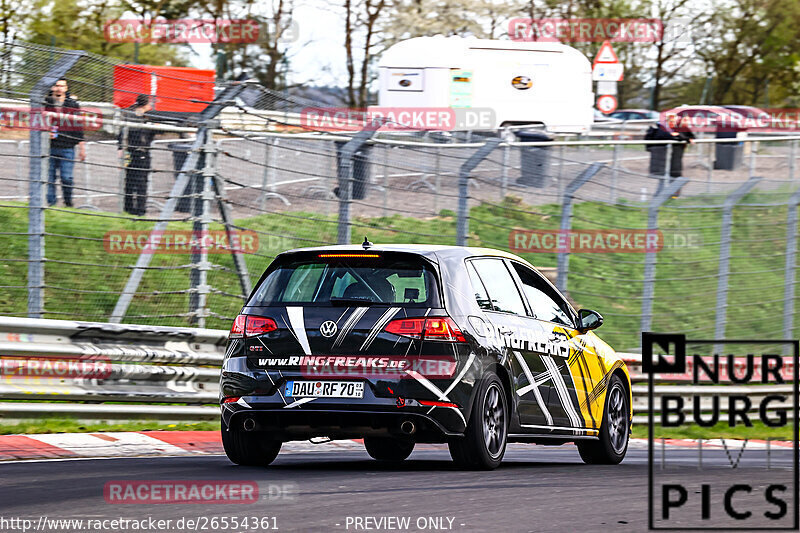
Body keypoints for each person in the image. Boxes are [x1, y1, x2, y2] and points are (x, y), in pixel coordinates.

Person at [45, 78, 86, 207]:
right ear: (52, 87)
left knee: (66, 178)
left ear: (66, 88)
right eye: (56, 86)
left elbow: (78, 126)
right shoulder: (46, 102)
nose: (59, 88)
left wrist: (82, 147)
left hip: (67, 147)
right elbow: (37, 121)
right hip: (49, 147)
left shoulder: (72, 104)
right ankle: (51, 205)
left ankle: (68, 202)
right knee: (49, 178)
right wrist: (45, 132)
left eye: (62, 86)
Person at [118, 94, 157, 216]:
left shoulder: (130, 115)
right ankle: (139, 209)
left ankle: (128, 208)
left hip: (130, 152)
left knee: (130, 181)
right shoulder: (142, 117)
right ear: (146, 104)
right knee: (140, 183)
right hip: (139, 152)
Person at [645, 114, 694, 196]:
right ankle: (658, 200)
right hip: (662, 161)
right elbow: (669, 137)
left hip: (675, 161)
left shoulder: (680, 129)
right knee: (664, 181)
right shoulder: (658, 130)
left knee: (676, 180)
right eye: (671, 121)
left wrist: (684, 137)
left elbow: (688, 136)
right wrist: (679, 136)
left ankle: (673, 198)